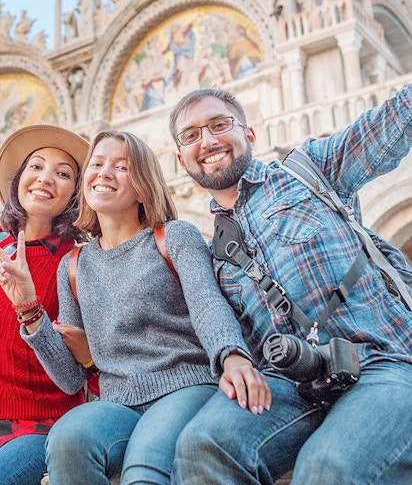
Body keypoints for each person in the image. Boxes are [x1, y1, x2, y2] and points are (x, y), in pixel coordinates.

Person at [168, 86, 412, 485]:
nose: (208, 141)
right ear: (181, 159)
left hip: (382, 362)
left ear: (249, 134)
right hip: (295, 384)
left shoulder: (310, 171)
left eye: (219, 125)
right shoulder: (215, 254)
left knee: (328, 466)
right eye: (191, 135)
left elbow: (393, 122)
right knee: (203, 444)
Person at [0, 129, 271, 485]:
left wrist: (232, 355)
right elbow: (69, 379)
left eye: (122, 166)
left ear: (144, 183)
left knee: (143, 468)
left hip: (184, 387)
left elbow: (207, 304)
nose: (104, 172)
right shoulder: (76, 264)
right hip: (117, 403)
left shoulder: (174, 235)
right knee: (68, 439)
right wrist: (29, 310)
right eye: (97, 164)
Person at [0, 124, 89, 485]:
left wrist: (29, 307)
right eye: (35, 166)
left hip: (39, 428)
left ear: (74, 195)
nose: (45, 178)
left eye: (63, 173)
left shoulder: (77, 263)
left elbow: (73, 379)